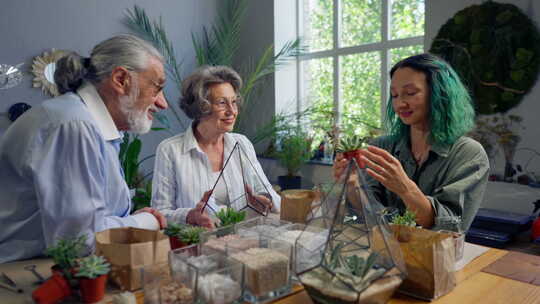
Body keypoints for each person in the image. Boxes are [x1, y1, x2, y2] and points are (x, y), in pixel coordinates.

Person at [0, 35, 169, 263]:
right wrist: (146, 222)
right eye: (157, 88)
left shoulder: (88, 123)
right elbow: (80, 242)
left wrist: (134, 221)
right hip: (18, 274)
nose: (162, 103)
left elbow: (92, 222)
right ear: (120, 79)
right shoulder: (74, 125)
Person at [333, 53, 489, 232]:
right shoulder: (381, 147)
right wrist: (353, 184)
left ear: (440, 93)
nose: (400, 104)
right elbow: (369, 217)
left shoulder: (469, 154)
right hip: (384, 254)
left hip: (433, 257)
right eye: (394, 95)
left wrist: (405, 189)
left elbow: (453, 227)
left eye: (410, 93)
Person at [152, 65, 280, 228]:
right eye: (222, 103)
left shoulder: (242, 143)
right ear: (201, 106)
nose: (232, 111)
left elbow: (267, 194)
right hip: (196, 247)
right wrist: (189, 215)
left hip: (243, 243)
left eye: (233, 102)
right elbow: (160, 213)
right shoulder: (170, 150)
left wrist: (263, 203)